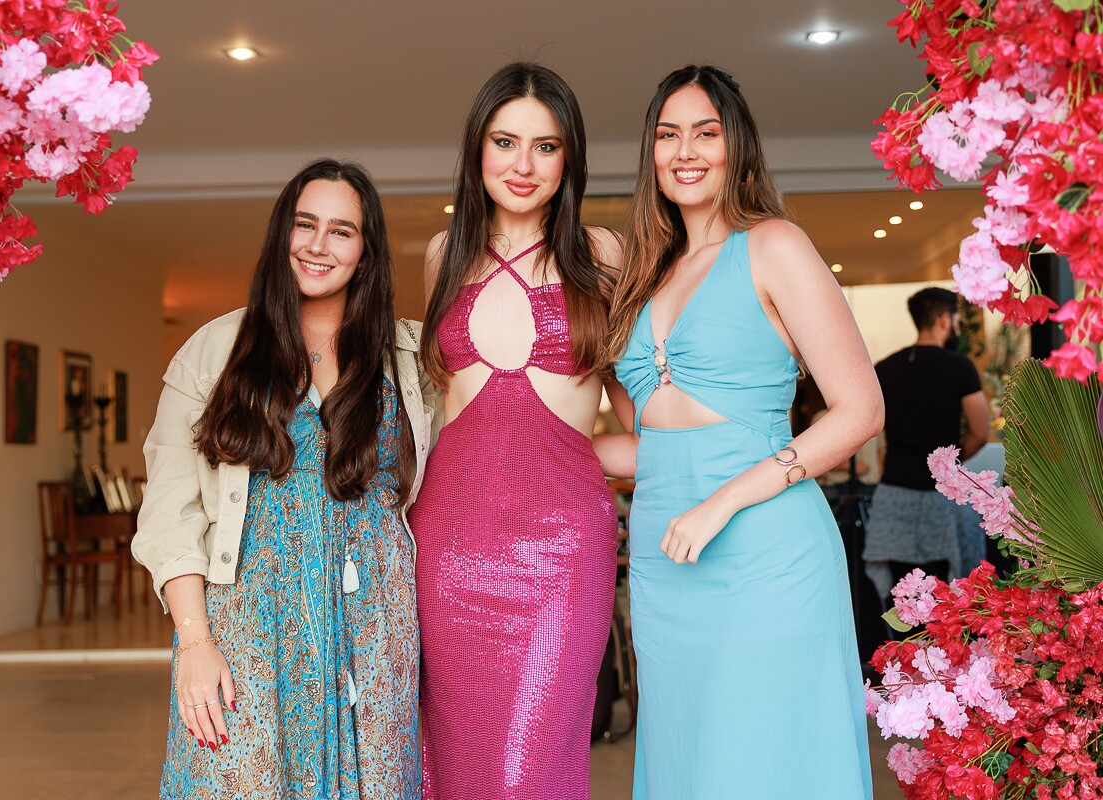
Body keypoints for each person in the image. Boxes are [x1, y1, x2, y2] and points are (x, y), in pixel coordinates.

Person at [601, 65, 880, 799]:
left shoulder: (774, 245)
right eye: (667, 135)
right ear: (650, 153)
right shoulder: (642, 279)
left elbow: (859, 411)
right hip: (666, 562)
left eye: (706, 132)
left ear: (737, 147)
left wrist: (723, 502)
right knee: (692, 763)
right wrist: (540, 447)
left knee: (758, 761)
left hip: (765, 552)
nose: (685, 151)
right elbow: (650, 444)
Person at [132, 159, 434, 800]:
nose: (319, 245)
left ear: (368, 249)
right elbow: (168, 513)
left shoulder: (409, 356)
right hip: (248, 632)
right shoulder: (216, 351)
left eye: (342, 230)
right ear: (281, 235)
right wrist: (194, 642)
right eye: (305, 224)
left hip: (378, 633)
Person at [407, 62, 622, 799]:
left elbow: (643, 419)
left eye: (546, 146)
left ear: (571, 160)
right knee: (458, 758)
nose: (523, 165)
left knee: (536, 763)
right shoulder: (443, 256)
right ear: (477, 150)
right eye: (505, 142)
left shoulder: (602, 253)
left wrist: (575, 457)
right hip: (451, 546)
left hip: (565, 549)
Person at [863, 287, 991, 590]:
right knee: (947, 593)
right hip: (940, 497)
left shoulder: (885, 367)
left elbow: (874, 426)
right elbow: (980, 431)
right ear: (945, 320)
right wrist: (950, 465)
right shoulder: (960, 366)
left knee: (903, 595)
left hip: (894, 494)